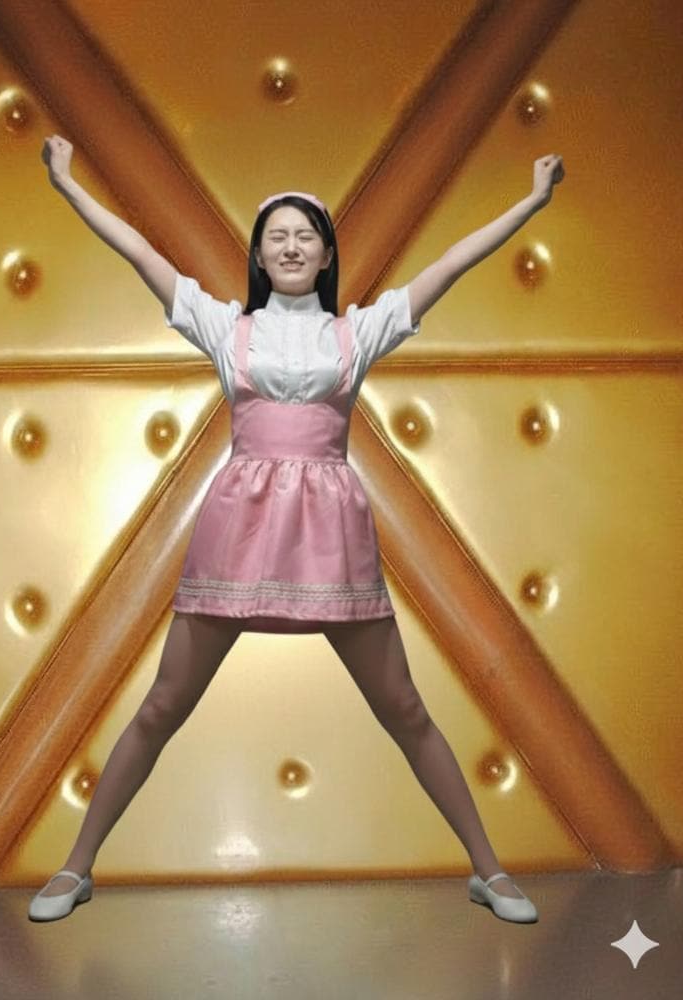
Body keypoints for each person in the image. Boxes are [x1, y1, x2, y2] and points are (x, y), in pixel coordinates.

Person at [29, 135, 564, 923]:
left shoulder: (357, 331)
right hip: (236, 534)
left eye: (304, 235)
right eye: (276, 236)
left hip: (331, 538)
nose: (289, 246)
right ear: (258, 255)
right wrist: (69, 186)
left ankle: (490, 870)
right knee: (161, 706)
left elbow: (450, 264)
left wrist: (531, 202)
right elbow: (141, 253)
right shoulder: (226, 327)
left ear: (326, 255)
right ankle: (75, 868)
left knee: (405, 709)